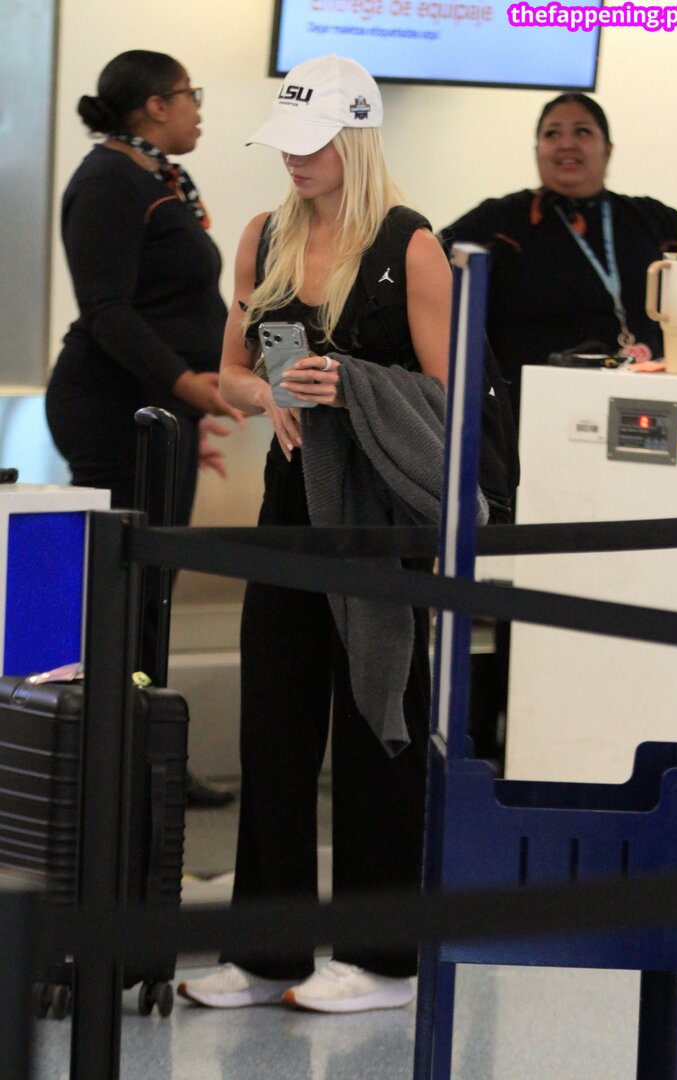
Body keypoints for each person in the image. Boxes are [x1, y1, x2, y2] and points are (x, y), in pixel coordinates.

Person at [177, 53, 463, 1014]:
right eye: (285, 143)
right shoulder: (263, 236)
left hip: (378, 521)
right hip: (290, 508)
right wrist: (268, 394)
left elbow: (451, 399)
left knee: (379, 718)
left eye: (311, 144)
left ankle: (382, 959)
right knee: (276, 722)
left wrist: (353, 388)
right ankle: (267, 953)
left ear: (355, 139)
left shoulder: (411, 246)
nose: (293, 160)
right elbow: (228, 372)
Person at [45, 49, 242, 808]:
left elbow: (168, 306)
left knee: (150, 591)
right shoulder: (108, 182)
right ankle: (110, 767)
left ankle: (143, 758)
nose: (198, 109)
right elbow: (108, 313)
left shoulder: (152, 177)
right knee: (123, 593)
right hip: (113, 409)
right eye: (191, 95)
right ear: (156, 104)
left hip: (157, 413)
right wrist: (186, 385)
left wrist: (188, 405)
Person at [440, 92, 677, 425]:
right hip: (529, 415)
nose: (566, 144)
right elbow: (429, 266)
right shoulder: (500, 222)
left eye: (582, 131)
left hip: (643, 408)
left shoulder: (651, 219)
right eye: (552, 134)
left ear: (608, 149)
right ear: (537, 150)